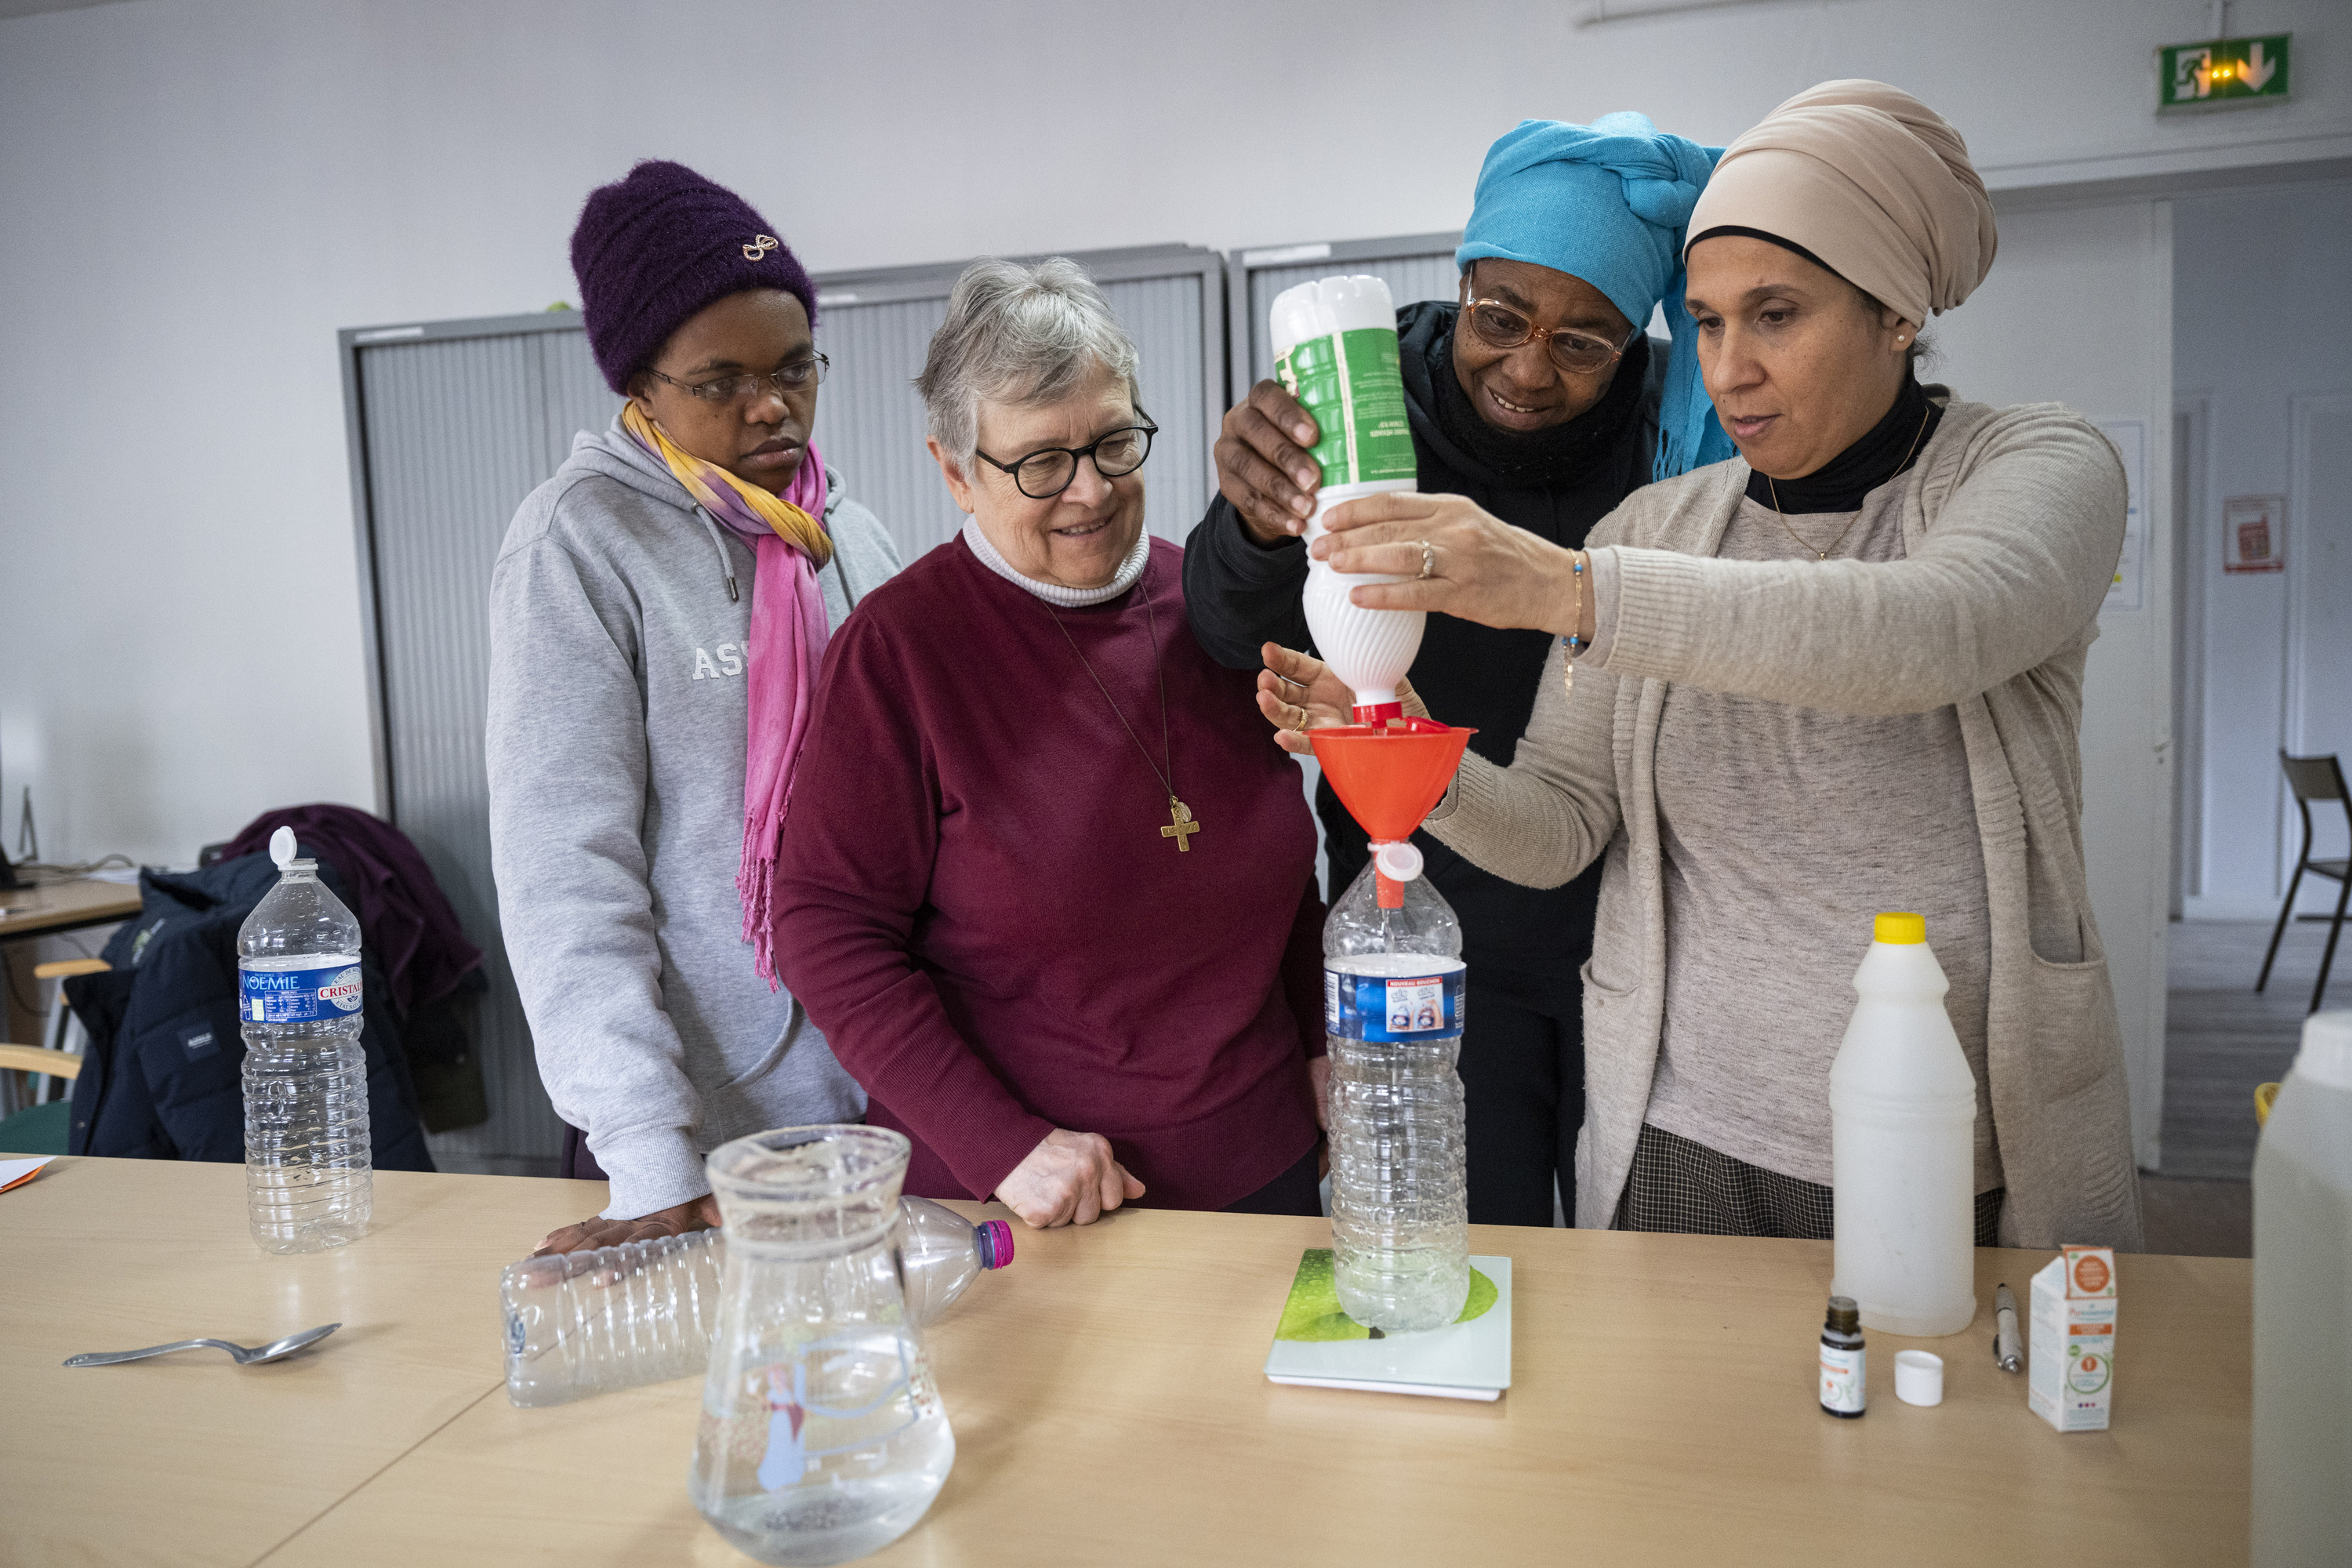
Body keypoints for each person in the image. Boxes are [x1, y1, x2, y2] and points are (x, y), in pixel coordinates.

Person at [1262, 81, 2143, 1251]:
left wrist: (1563, 586)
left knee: (1941, 1428)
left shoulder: (2030, 465)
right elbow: (1566, 824)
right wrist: (1399, 743)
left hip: (1947, 1133)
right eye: (1711, 320)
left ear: (1895, 315)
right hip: (1681, 1133)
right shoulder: (1659, 527)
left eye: (1776, 315)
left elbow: (1924, 629)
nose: (1729, 368)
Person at [1184, 112, 1730, 1228]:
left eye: (1586, 342)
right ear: (1465, 276)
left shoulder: (1683, 441)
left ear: (1635, 339)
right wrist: (1253, 525)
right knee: (1470, 1244)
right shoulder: (1355, 409)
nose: (1530, 368)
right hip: (1421, 917)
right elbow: (1230, 635)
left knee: (1652, 1264)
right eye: (1503, 318)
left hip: (1642, 939)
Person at [772, 258, 1326, 1229]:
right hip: (1037, 1203)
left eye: (1115, 443)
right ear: (954, 470)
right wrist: (1003, 1145)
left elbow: (1275, 869)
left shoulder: (1213, 603)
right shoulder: (901, 650)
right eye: (1040, 462)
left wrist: (1325, 1046)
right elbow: (827, 929)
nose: (1090, 491)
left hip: (1263, 1170)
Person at [486, 162, 903, 1254]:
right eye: (721, 381)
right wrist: (647, 1154)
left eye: (796, 367)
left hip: (881, 1097)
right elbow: (565, 875)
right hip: (701, 1129)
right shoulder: (578, 544)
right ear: (642, 387)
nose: (773, 406)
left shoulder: (844, 533)